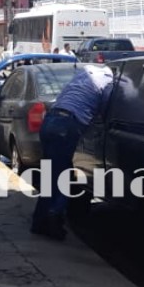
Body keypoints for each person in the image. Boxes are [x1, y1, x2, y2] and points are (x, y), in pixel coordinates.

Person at [32, 64, 113, 239]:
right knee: (63, 176)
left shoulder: (83, 75)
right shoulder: (108, 82)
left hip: (50, 120)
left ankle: (39, 221)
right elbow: (106, 112)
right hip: (67, 125)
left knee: (49, 175)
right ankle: (54, 219)